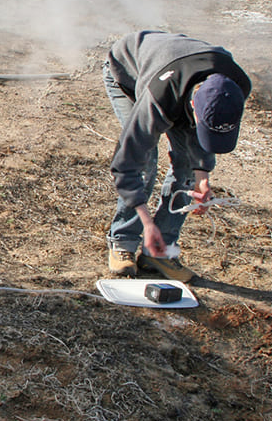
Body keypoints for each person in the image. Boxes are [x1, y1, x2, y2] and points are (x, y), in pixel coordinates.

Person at [103, 30, 252, 281]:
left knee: (186, 168)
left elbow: (205, 129)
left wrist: (202, 175)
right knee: (146, 159)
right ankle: (123, 242)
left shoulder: (236, 86)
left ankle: (159, 253)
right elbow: (126, 165)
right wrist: (147, 223)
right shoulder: (159, 95)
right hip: (130, 71)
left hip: (183, 77)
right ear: (193, 106)